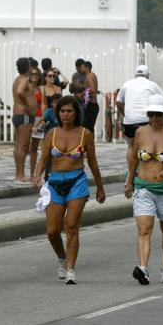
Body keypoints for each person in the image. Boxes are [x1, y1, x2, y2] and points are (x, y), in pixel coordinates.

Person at [33, 95, 106, 284]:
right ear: (58, 113)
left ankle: (71, 269)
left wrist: (100, 187)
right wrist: (37, 175)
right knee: (52, 230)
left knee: (72, 225)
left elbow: (93, 162)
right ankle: (62, 258)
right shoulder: (52, 134)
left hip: (77, 182)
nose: (66, 114)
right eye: (63, 111)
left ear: (76, 113)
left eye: (70, 111)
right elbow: (43, 159)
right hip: (55, 183)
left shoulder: (85, 134)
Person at [124, 94, 163, 285]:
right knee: (144, 228)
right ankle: (143, 268)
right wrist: (129, 181)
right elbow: (134, 158)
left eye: (158, 114)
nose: (154, 118)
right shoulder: (141, 132)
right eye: (151, 114)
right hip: (144, 187)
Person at [116, 65, 163, 179]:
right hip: (146, 121)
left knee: (131, 146)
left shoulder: (126, 84)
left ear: (135, 74)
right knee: (151, 146)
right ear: (147, 75)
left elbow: (118, 101)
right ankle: (148, 171)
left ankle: (131, 174)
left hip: (129, 122)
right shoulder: (152, 84)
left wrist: (126, 114)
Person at [12, 57, 37, 183]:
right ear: (28, 67)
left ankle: (18, 174)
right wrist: (28, 105)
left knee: (18, 146)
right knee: (23, 146)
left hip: (18, 115)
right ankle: (20, 175)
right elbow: (20, 92)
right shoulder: (24, 79)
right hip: (24, 115)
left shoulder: (17, 79)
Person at [29, 67, 45, 180]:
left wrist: (42, 120)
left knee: (37, 146)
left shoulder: (41, 89)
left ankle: (36, 174)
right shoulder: (26, 88)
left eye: (36, 74)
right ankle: (30, 174)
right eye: (32, 74)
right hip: (28, 118)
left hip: (38, 118)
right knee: (27, 147)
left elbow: (43, 104)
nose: (34, 76)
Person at [82, 61, 100, 134]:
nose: (81, 69)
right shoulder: (93, 75)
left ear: (86, 68)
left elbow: (92, 90)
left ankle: (89, 143)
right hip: (93, 105)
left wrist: (83, 94)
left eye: (82, 67)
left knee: (87, 127)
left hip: (91, 104)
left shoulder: (89, 76)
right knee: (89, 126)